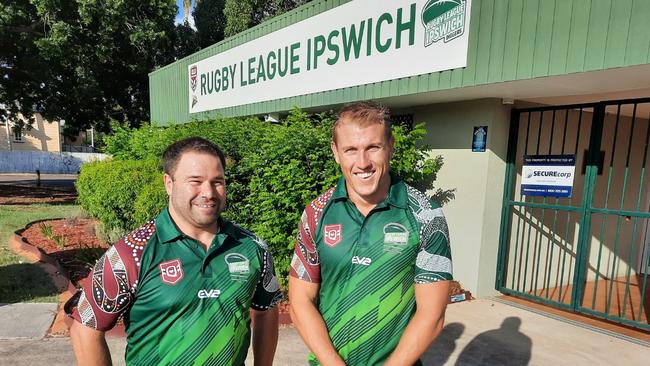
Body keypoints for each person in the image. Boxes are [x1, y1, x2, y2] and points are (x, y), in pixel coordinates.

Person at [66, 137, 281, 366]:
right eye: (195, 181)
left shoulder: (252, 247)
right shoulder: (132, 252)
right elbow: (86, 327)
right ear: (169, 183)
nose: (208, 192)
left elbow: (266, 310)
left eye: (217, 181)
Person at [289, 101, 453, 366]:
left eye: (372, 147)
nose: (362, 162)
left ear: (390, 145)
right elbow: (300, 302)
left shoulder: (426, 216)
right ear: (336, 152)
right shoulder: (316, 213)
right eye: (350, 150)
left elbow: (431, 315)